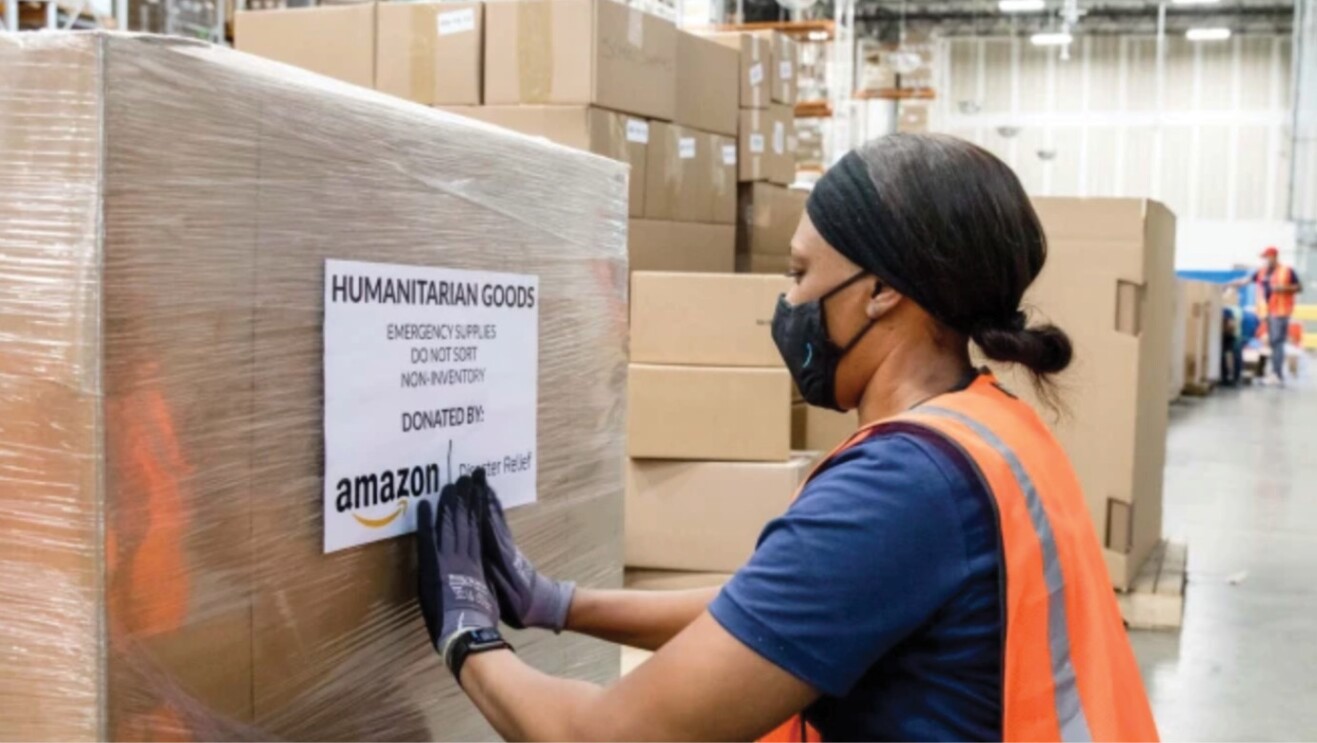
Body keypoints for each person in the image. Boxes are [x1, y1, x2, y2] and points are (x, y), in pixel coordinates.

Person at [414, 134, 1159, 742]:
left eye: (799, 272)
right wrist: (557, 603)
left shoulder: (902, 486)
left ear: (880, 289)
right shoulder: (986, 424)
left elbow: (608, 736)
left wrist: (467, 637)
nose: (786, 300)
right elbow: (770, 609)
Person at [1234, 247, 1303, 385]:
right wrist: (1230, 284)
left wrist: (1283, 288)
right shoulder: (1262, 272)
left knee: (1277, 342)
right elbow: (1247, 280)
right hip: (1269, 311)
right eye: (1264, 257)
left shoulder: (1287, 271)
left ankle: (1277, 375)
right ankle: (1275, 373)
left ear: (1275, 257)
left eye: (1268, 257)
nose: (1266, 260)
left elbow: (1299, 287)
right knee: (1273, 342)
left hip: (1281, 311)